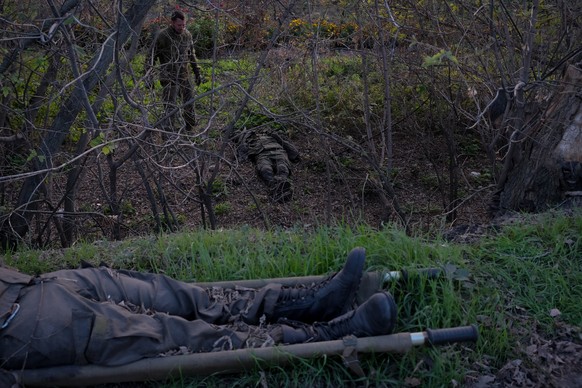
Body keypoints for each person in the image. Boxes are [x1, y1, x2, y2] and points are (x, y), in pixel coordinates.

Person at [0, 247, 397, 370]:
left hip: (31, 285)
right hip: (21, 330)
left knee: (167, 294)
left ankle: (306, 303)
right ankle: (314, 338)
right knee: (164, 334)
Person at [146, 10, 202, 133]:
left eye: (184, 25)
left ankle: (190, 128)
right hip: (168, 77)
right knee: (170, 106)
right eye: (179, 25)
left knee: (189, 102)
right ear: (172, 23)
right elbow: (150, 57)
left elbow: (191, 55)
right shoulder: (162, 36)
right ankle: (168, 132)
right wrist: (148, 77)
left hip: (184, 75)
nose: (182, 27)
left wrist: (197, 73)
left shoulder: (187, 35)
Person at [235, 129, 301, 202]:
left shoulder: (271, 133)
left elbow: (284, 141)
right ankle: (274, 187)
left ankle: (283, 185)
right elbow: (234, 136)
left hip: (278, 150)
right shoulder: (247, 135)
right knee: (265, 169)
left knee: (282, 167)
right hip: (261, 152)